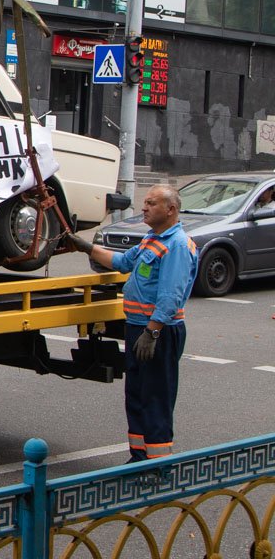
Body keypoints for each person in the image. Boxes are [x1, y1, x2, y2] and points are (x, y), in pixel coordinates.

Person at [67, 185, 198, 463]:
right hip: (139, 327)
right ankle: (138, 455)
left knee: (156, 397)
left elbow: (171, 295)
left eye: (151, 203)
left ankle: (157, 463)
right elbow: (123, 262)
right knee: (136, 394)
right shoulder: (152, 239)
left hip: (158, 331)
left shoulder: (177, 245)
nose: (144, 207)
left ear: (171, 210)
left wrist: (153, 331)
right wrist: (86, 247)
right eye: (146, 202)